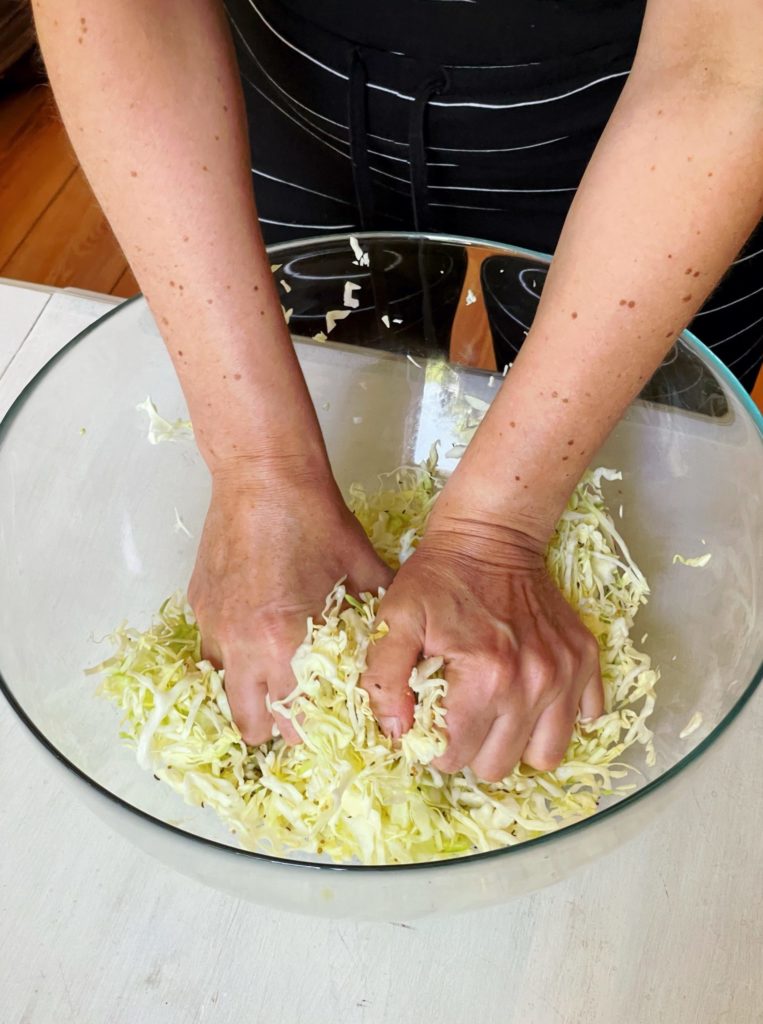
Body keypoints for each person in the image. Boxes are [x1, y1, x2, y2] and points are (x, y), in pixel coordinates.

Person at [33, 0, 763, 782]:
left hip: (665, 138)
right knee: (339, 371)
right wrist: (260, 473)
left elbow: (721, 65)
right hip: (281, 94)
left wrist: (494, 530)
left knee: (660, 476)